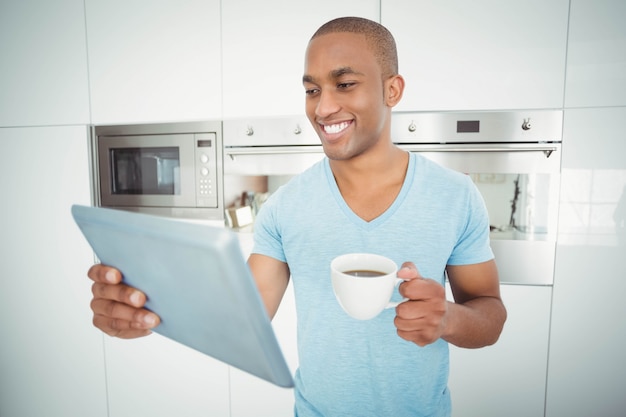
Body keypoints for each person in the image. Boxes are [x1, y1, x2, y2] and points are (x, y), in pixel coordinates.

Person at [88, 16, 507, 417]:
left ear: (392, 90)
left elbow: (490, 316)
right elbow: (241, 319)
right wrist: (145, 312)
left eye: (344, 84)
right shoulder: (286, 207)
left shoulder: (454, 196)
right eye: (312, 90)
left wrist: (448, 317)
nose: (323, 108)